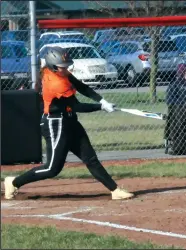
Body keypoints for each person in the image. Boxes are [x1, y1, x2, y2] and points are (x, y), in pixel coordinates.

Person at [4, 46, 134, 200]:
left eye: (67, 66)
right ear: (53, 66)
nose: (66, 69)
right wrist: (100, 107)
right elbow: (76, 106)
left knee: (90, 158)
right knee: (52, 169)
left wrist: (102, 100)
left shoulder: (60, 73)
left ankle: (114, 190)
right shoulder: (55, 83)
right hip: (55, 124)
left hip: (70, 120)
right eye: (63, 67)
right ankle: (13, 182)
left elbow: (81, 87)